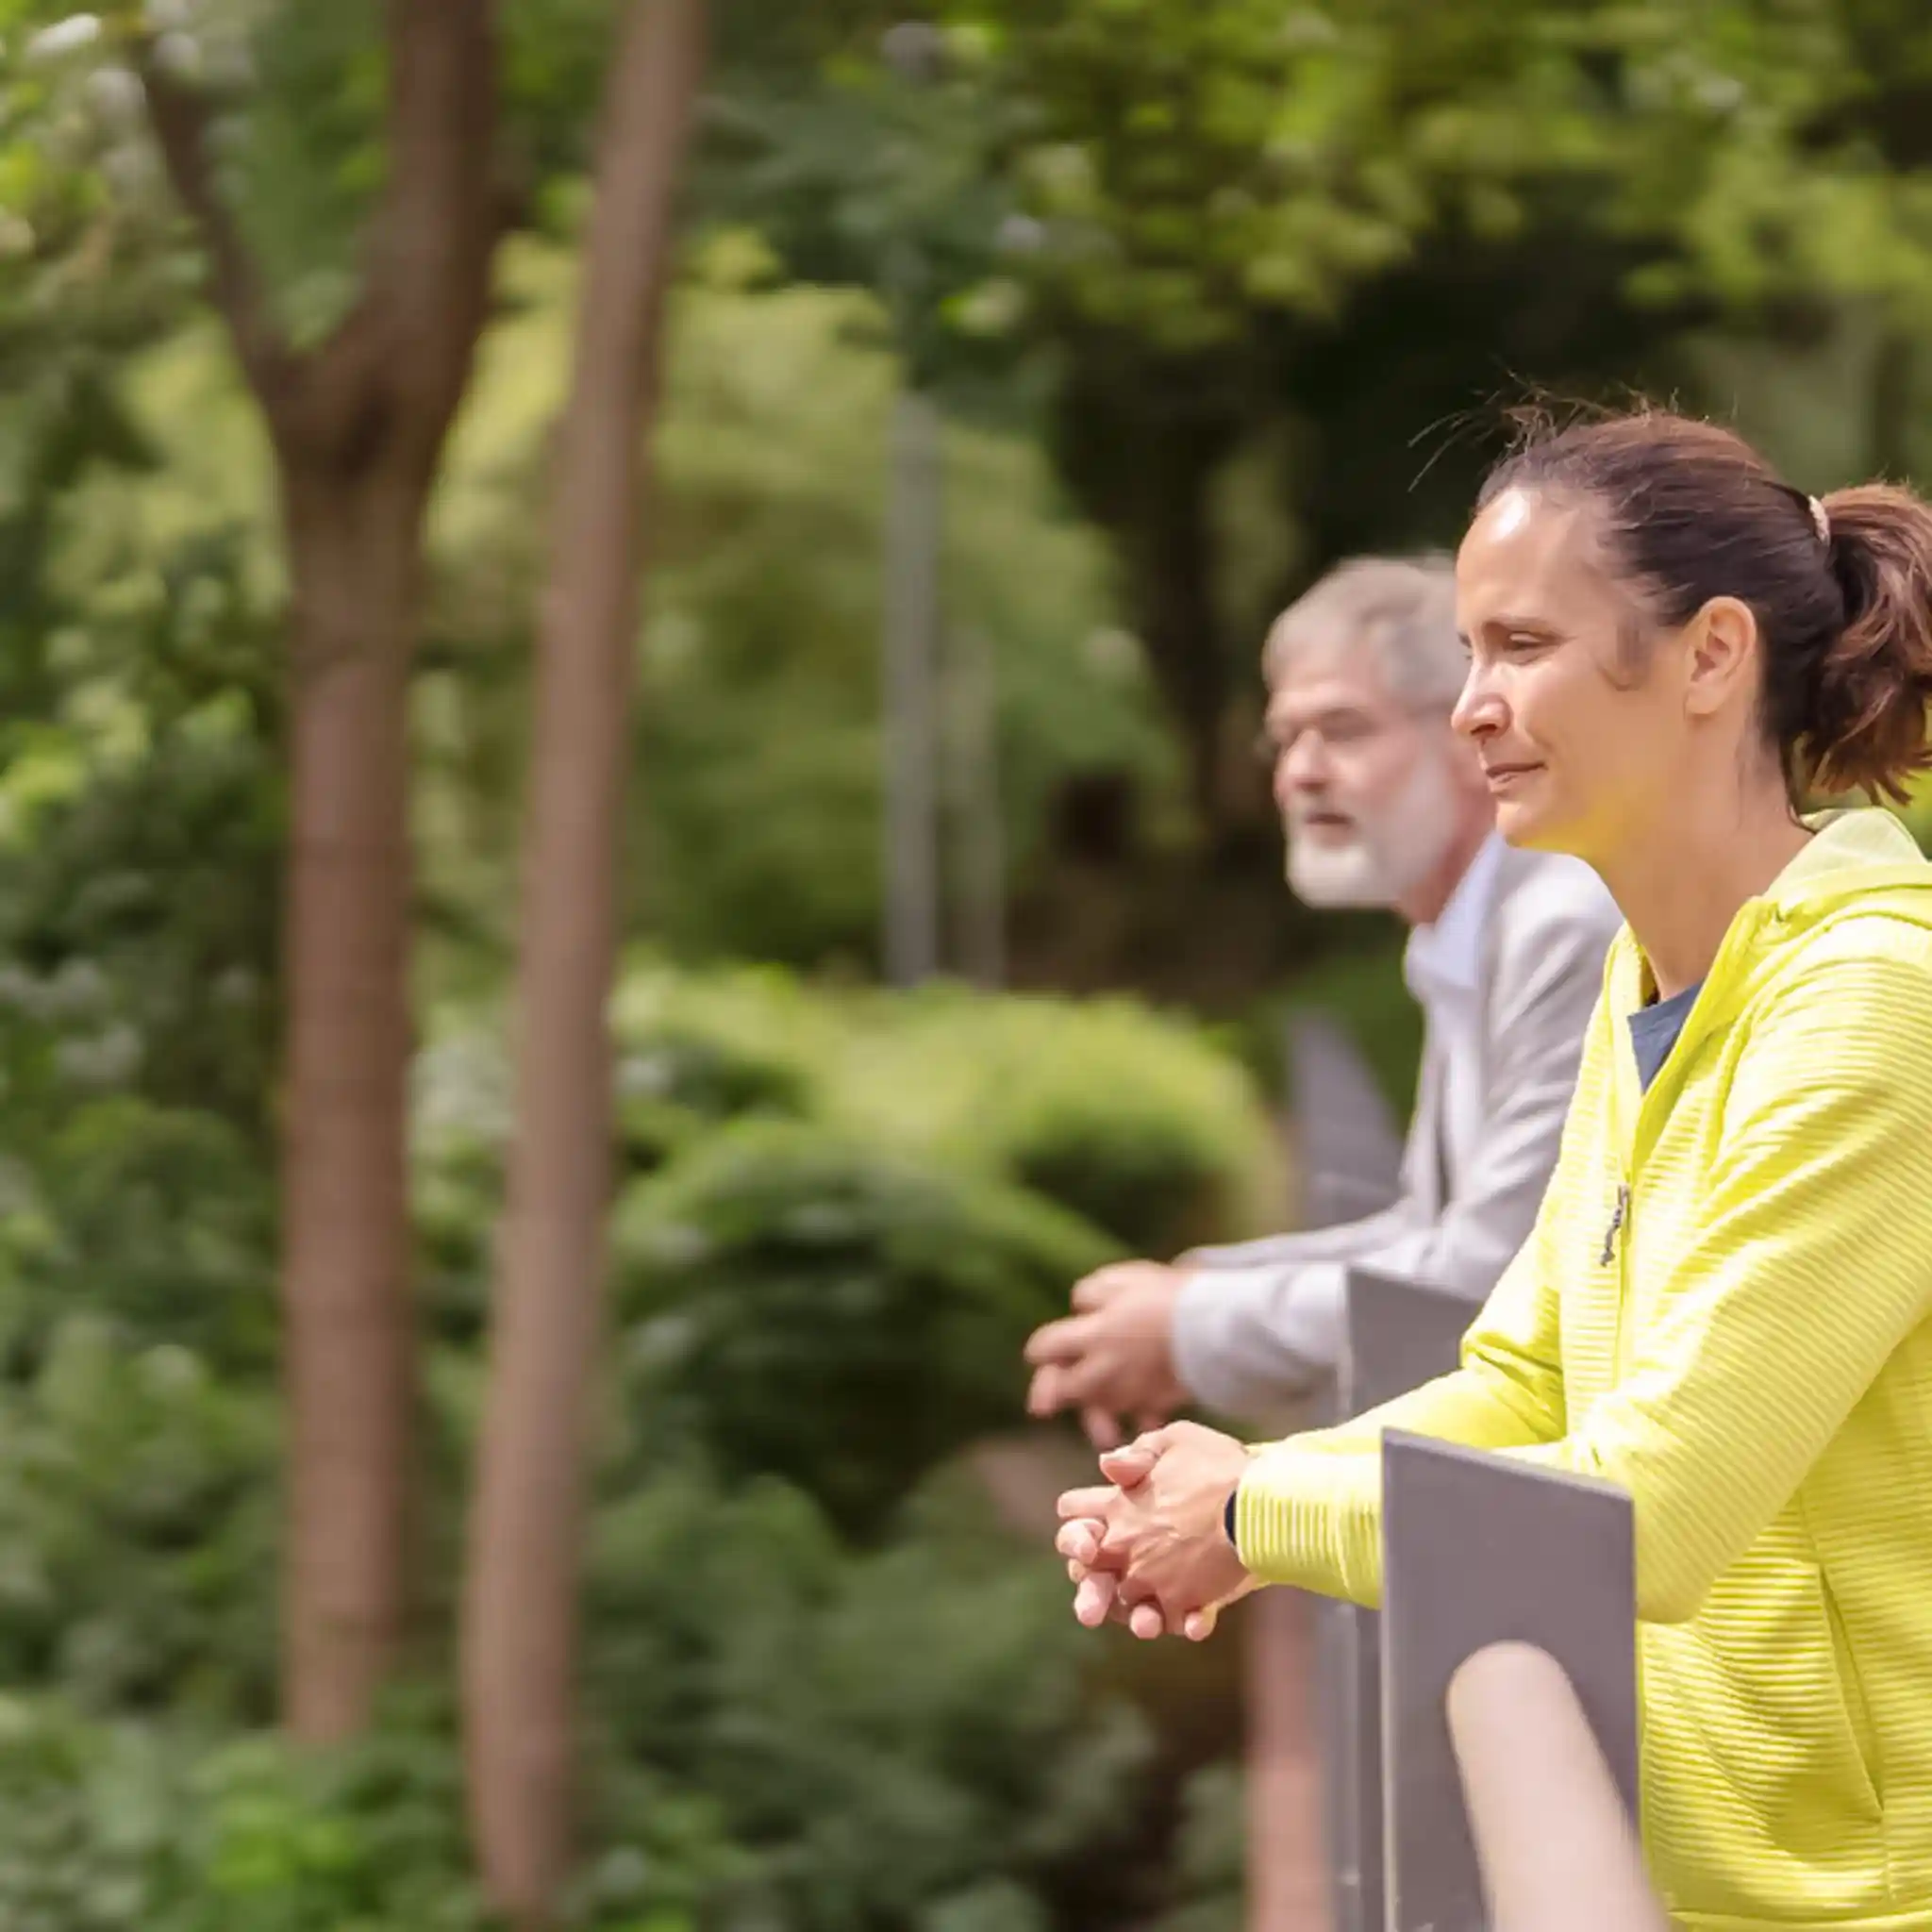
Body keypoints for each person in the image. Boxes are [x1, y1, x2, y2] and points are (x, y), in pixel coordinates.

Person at [1056, 408, 1932, 1928]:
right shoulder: (1648, 978)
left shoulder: (1873, 1001)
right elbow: (1526, 1373)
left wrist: (1260, 1510)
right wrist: (1231, 1515)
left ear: (1711, 657)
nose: (1473, 708)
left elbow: (1647, 1510)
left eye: (1519, 645)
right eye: (1468, 654)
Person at [1024, 557, 1618, 1444]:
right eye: (1284, 738)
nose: (1299, 773)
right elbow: (1430, 1228)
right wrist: (1187, 1298)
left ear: (1467, 737)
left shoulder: (1558, 925)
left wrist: (1188, 1328)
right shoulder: (1475, 927)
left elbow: (1496, 1274)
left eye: (1342, 729)